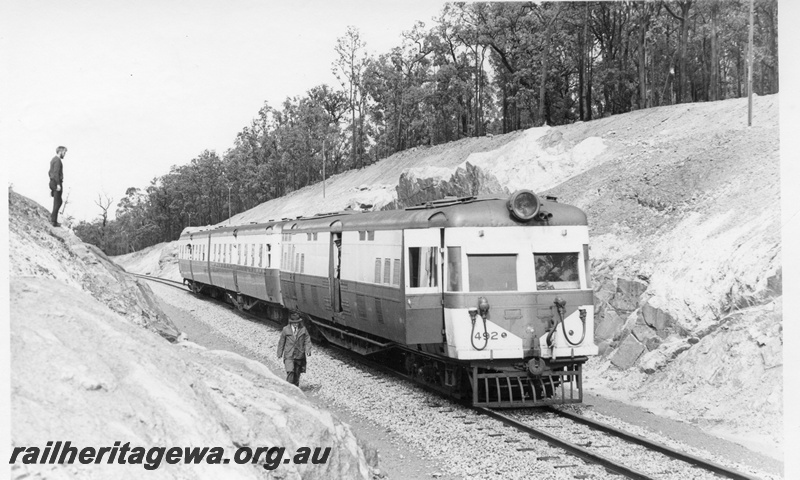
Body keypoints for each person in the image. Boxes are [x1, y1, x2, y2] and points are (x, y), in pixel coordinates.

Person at [276, 312, 311, 387]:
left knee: (297, 373)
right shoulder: (286, 329)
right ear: (291, 323)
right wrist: (279, 353)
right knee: (290, 371)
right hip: (289, 354)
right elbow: (281, 342)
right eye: (294, 323)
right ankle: (288, 388)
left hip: (299, 355)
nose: (296, 324)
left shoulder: (303, 329)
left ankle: (295, 388)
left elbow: (307, 339)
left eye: (297, 323)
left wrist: (308, 349)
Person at [48, 146, 67, 226]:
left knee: (58, 201)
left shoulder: (53, 159)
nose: (65, 154)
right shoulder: (57, 160)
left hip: (53, 182)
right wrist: (58, 184)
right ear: (60, 152)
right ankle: (53, 221)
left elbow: (49, 172)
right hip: (56, 182)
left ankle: (53, 219)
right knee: (58, 202)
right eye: (64, 152)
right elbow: (55, 173)